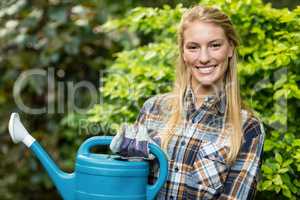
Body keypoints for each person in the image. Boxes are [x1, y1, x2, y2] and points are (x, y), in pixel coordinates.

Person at [110, 5, 265, 200]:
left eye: (215, 45)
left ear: (230, 48)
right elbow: (129, 189)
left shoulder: (248, 128)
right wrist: (125, 158)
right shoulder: (153, 109)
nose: (204, 57)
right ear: (183, 53)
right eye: (193, 47)